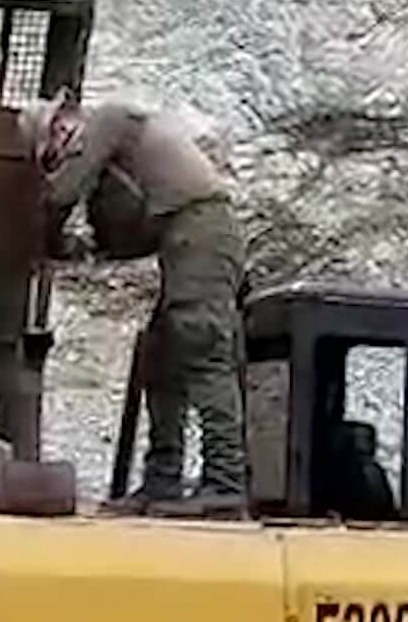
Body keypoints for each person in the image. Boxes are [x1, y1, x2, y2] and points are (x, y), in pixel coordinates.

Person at [16, 89, 249, 517]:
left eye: (56, 145)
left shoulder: (111, 119)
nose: (63, 152)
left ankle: (226, 483)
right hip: (188, 241)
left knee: (202, 350)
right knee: (161, 363)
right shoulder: (123, 164)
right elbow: (121, 240)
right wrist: (80, 247)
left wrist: (45, 237)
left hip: (203, 234)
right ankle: (162, 482)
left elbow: (59, 197)